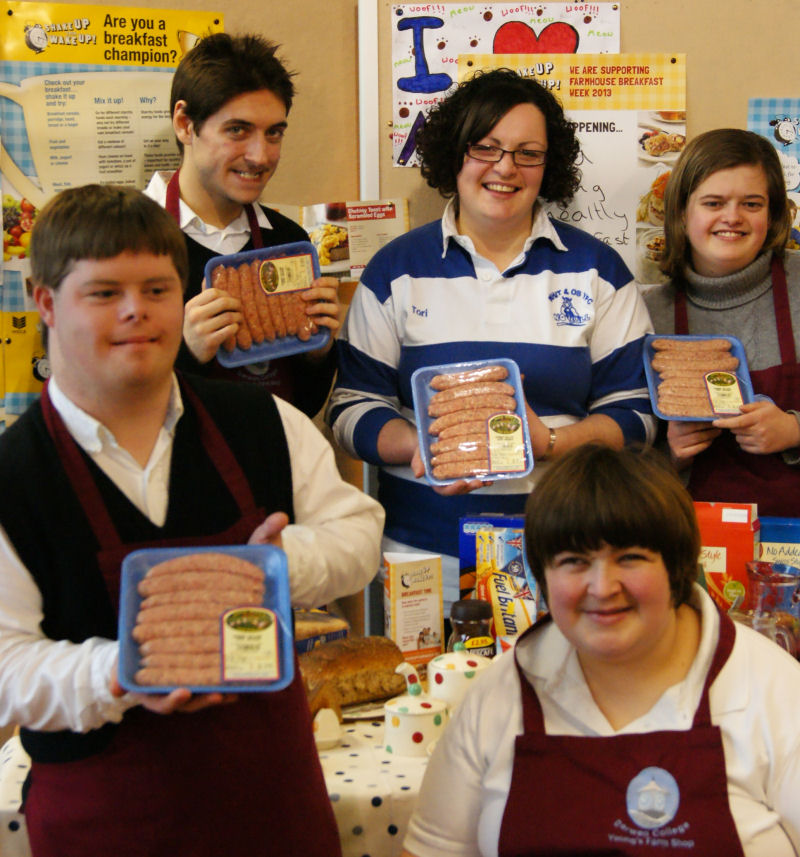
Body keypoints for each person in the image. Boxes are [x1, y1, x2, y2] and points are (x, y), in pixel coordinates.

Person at [0, 184, 384, 857]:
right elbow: (7, 669)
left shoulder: (263, 421)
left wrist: (278, 563)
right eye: (104, 292)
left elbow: (358, 536)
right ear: (45, 301)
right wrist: (123, 672)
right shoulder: (15, 475)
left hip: (274, 811)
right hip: (106, 821)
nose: (136, 313)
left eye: (157, 288)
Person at [327, 68, 654, 612]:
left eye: (528, 153)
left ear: (548, 166)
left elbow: (637, 414)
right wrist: (424, 449)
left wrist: (547, 444)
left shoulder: (598, 270)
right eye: (486, 147)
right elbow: (350, 408)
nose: (505, 168)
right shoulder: (395, 270)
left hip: (563, 558)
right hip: (420, 559)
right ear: (455, 154)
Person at [401, 443, 800, 857]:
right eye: (573, 560)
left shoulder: (774, 690)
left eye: (629, 558)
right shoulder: (498, 694)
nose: (603, 587)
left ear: (678, 567)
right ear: (542, 576)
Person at [144, 32, 340, 418]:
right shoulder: (124, 242)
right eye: (237, 130)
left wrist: (318, 351)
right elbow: (100, 406)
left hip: (268, 468)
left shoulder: (287, 241)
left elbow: (303, 407)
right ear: (185, 124)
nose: (260, 156)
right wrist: (184, 351)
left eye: (274, 133)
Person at [644, 128, 800, 515]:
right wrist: (672, 455)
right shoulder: (647, 311)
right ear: (682, 211)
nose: (732, 218)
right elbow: (623, 463)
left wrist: (794, 431)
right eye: (713, 203)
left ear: (774, 212)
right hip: (693, 544)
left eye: (752, 204)